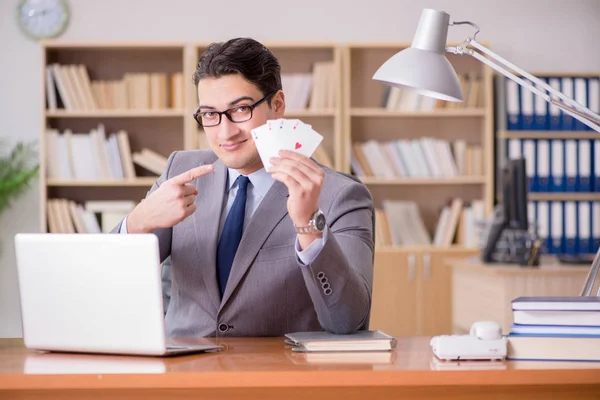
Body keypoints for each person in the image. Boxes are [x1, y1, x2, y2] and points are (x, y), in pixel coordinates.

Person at [113, 37, 375, 337]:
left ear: (277, 105)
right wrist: (138, 221)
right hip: (183, 375)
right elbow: (110, 280)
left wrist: (308, 227)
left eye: (240, 110)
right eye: (210, 114)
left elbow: (348, 321)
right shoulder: (180, 172)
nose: (226, 132)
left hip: (276, 375)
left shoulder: (340, 196)